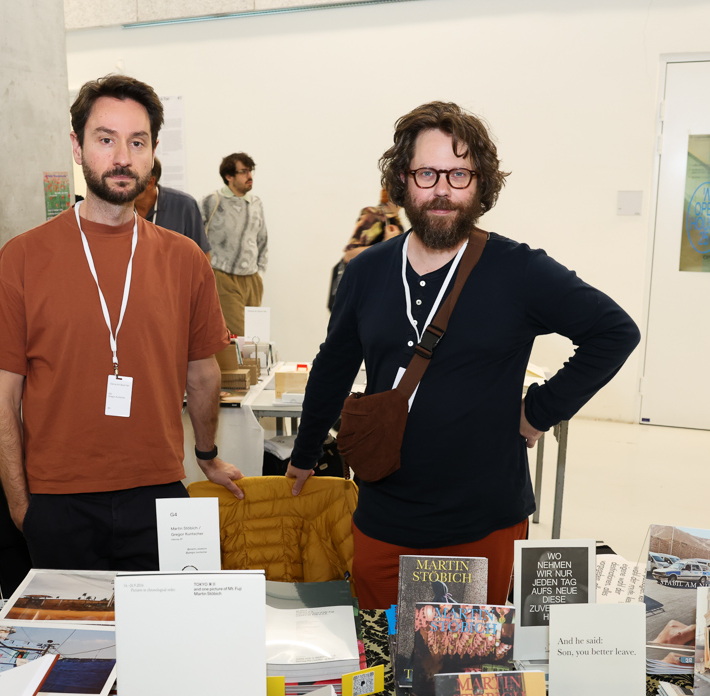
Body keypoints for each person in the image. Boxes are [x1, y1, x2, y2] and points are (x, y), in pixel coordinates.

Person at [287, 101, 640, 608]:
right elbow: (333, 367)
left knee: (466, 659)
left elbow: (614, 331)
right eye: (427, 173)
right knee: (382, 648)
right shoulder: (367, 271)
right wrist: (304, 454)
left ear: (480, 184)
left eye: (459, 174)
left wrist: (538, 411)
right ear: (403, 179)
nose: (443, 190)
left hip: (482, 522)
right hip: (385, 515)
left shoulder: (518, 271)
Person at [0, 74, 243, 572]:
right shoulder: (21, 259)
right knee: (70, 625)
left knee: (165, 622)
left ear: (152, 153)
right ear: (77, 147)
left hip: (158, 491)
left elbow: (203, 374)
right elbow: (2, 399)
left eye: (137, 142)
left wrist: (207, 455)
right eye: (105, 139)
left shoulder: (185, 260)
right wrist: (21, 506)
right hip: (58, 499)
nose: (122, 157)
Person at [200, 153, 267, 336]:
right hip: (224, 277)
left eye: (250, 171)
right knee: (239, 335)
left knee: (256, 337)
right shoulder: (211, 201)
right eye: (243, 172)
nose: (250, 176)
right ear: (229, 176)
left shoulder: (256, 203)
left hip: (252, 279)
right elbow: (195, 236)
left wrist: (260, 273)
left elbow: (262, 239)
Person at [330, 189, 405, 310]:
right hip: (365, 296)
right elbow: (349, 255)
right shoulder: (373, 214)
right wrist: (386, 245)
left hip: (382, 295)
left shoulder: (396, 220)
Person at [134, 157, 211, 254]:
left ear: (150, 182)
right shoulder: (120, 207)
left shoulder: (184, 205)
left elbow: (202, 254)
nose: (123, 185)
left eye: (131, 180)